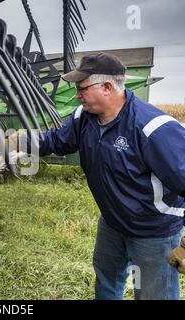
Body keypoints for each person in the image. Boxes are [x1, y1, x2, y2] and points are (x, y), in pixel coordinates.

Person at [19, 52, 185, 300]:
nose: (77, 95)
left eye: (81, 88)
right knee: (107, 283)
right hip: (112, 223)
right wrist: (20, 141)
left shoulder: (153, 129)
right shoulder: (84, 117)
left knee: (153, 295)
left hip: (153, 231)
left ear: (107, 87)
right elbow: (57, 140)